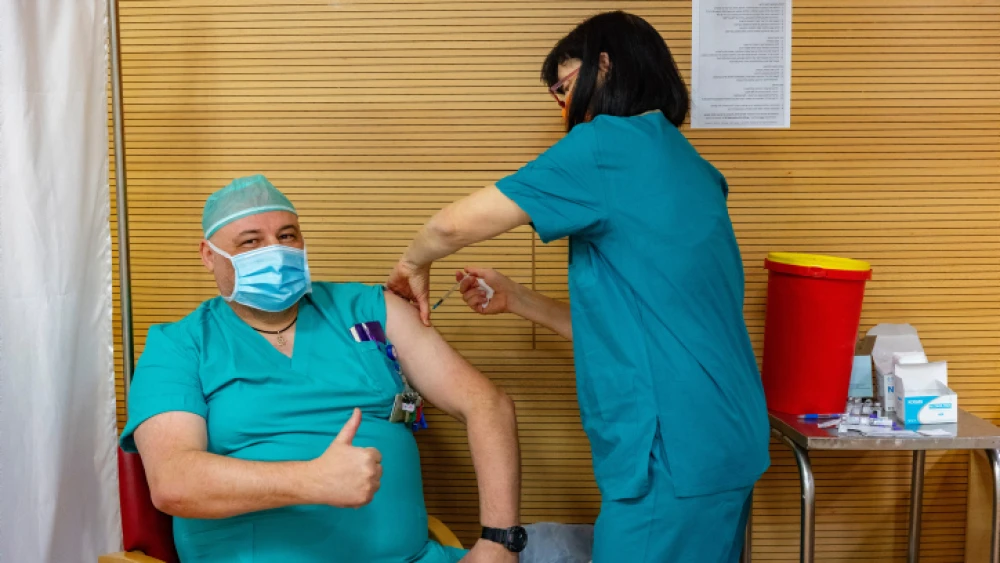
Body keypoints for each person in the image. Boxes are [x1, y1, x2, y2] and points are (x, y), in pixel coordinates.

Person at [387, 11, 770, 563]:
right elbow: (645, 325)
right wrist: (519, 298)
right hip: (725, 434)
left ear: (605, 67)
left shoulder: (609, 145)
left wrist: (412, 263)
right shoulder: (687, 165)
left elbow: (452, 225)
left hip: (674, 452)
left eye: (565, 86)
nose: (563, 105)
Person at [121, 175, 528, 563]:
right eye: (251, 242)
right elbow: (174, 482)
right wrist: (312, 480)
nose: (275, 252)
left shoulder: (370, 308)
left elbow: (486, 404)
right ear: (209, 256)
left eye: (286, 236)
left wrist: (500, 542)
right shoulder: (179, 345)